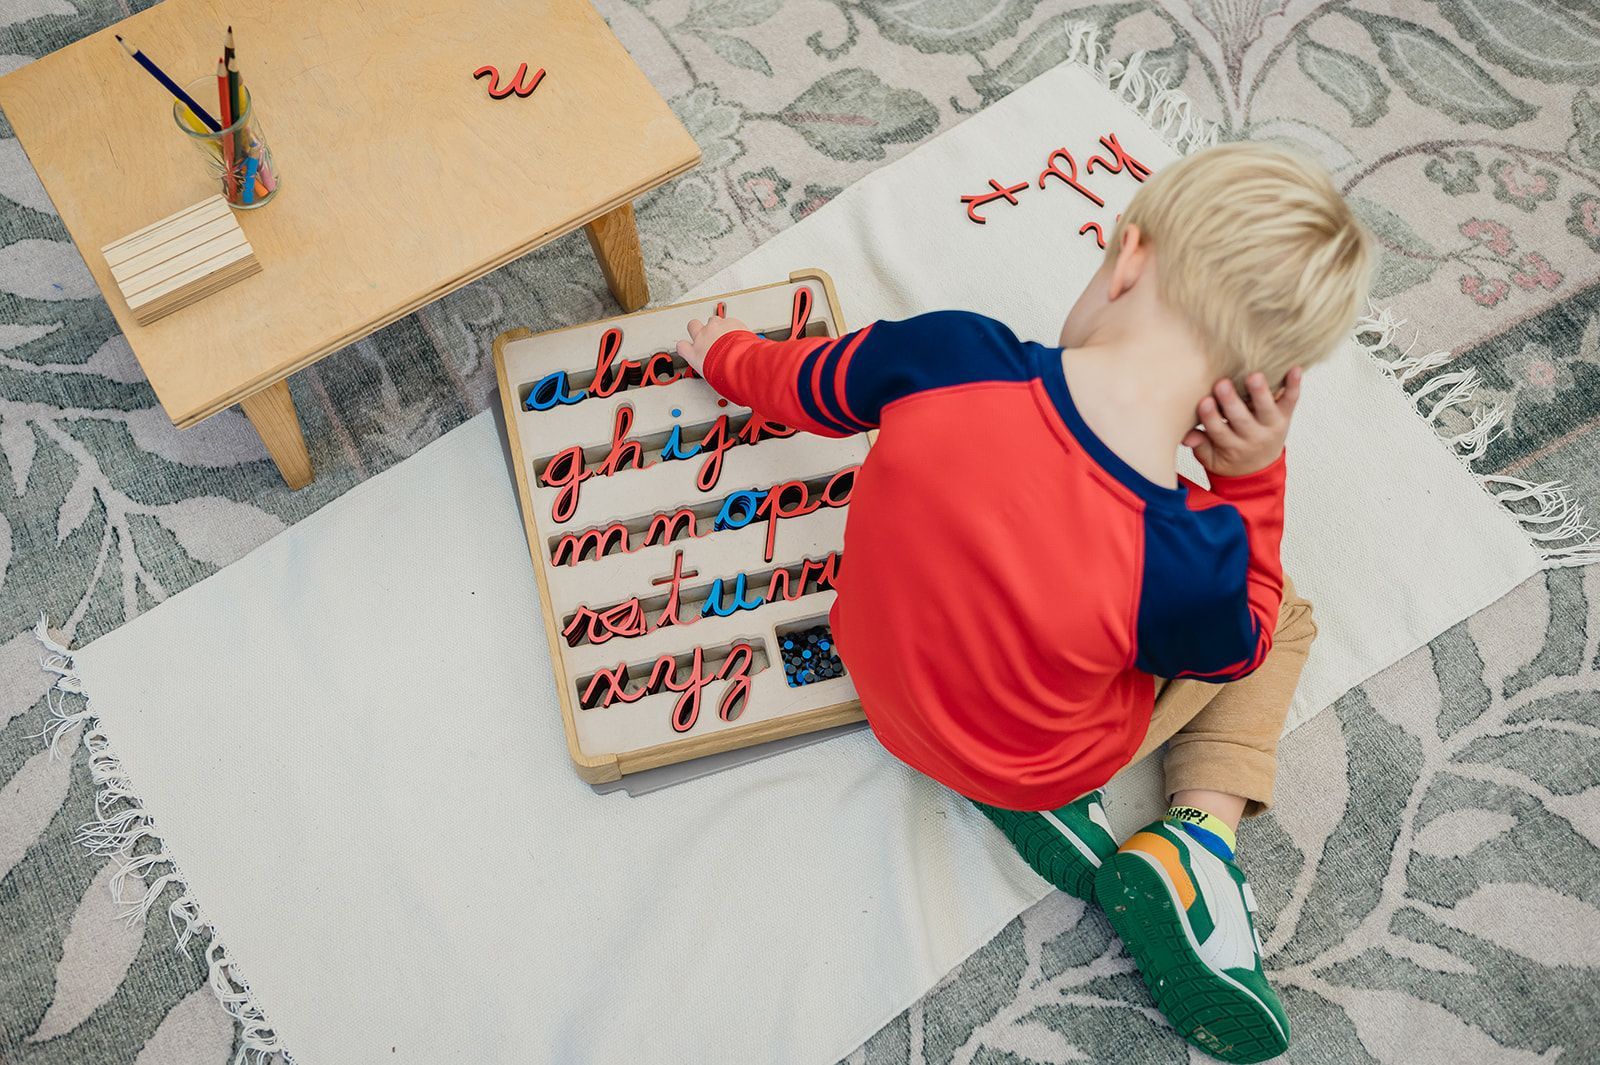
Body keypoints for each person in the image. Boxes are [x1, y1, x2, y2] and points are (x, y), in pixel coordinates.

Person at [675, 142, 1371, 1063]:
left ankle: (1025, 780)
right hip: (1038, 760)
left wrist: (721, 351)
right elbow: (1236, 643)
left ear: (1128, 257)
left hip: (883, 683)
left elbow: (803, 385)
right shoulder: (1188, 552)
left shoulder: (952, 351)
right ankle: (1197, 836)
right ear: (1251, 391)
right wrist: (1253, 482)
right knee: (1284, 619)